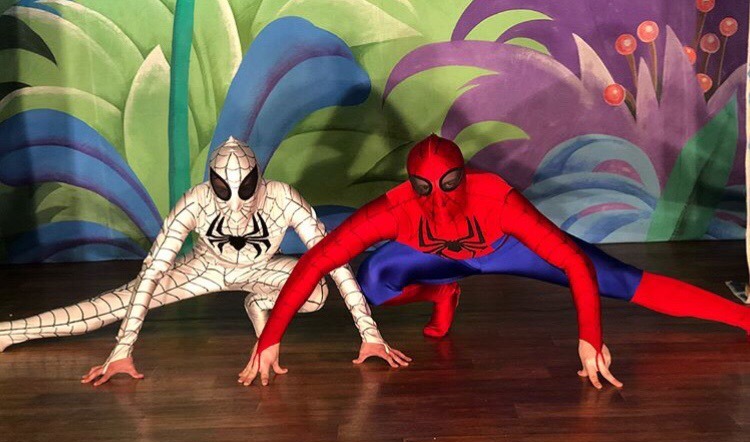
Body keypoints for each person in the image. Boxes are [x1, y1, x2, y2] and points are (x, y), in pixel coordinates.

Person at [240, 134, 750, 388]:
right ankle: (442, 291)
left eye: (449, 184)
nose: (438, 199)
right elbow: (316, 262)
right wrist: (270, 338)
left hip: (510, 251)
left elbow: (572, 263)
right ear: (410, 187)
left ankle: (745, 318)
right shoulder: (391, 211)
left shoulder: (499, 199)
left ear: (464, 176)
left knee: (618, 279)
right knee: (370, 282)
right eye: (424, 189)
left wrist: (590, 337)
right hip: (430, 259)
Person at [0, 137, 410, 385]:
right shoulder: (195, 201)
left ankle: (259, 302)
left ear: (259, 180)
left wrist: (369, 333)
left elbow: (332, 259)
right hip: (202, 269)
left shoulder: (283, 197)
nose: (235, 206)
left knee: (316, 293)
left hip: (265, 272)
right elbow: (152, 271)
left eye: (245, 190)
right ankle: (9, 332)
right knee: (115, 303)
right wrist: (123, 349)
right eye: (223, 191)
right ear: (211, 185)